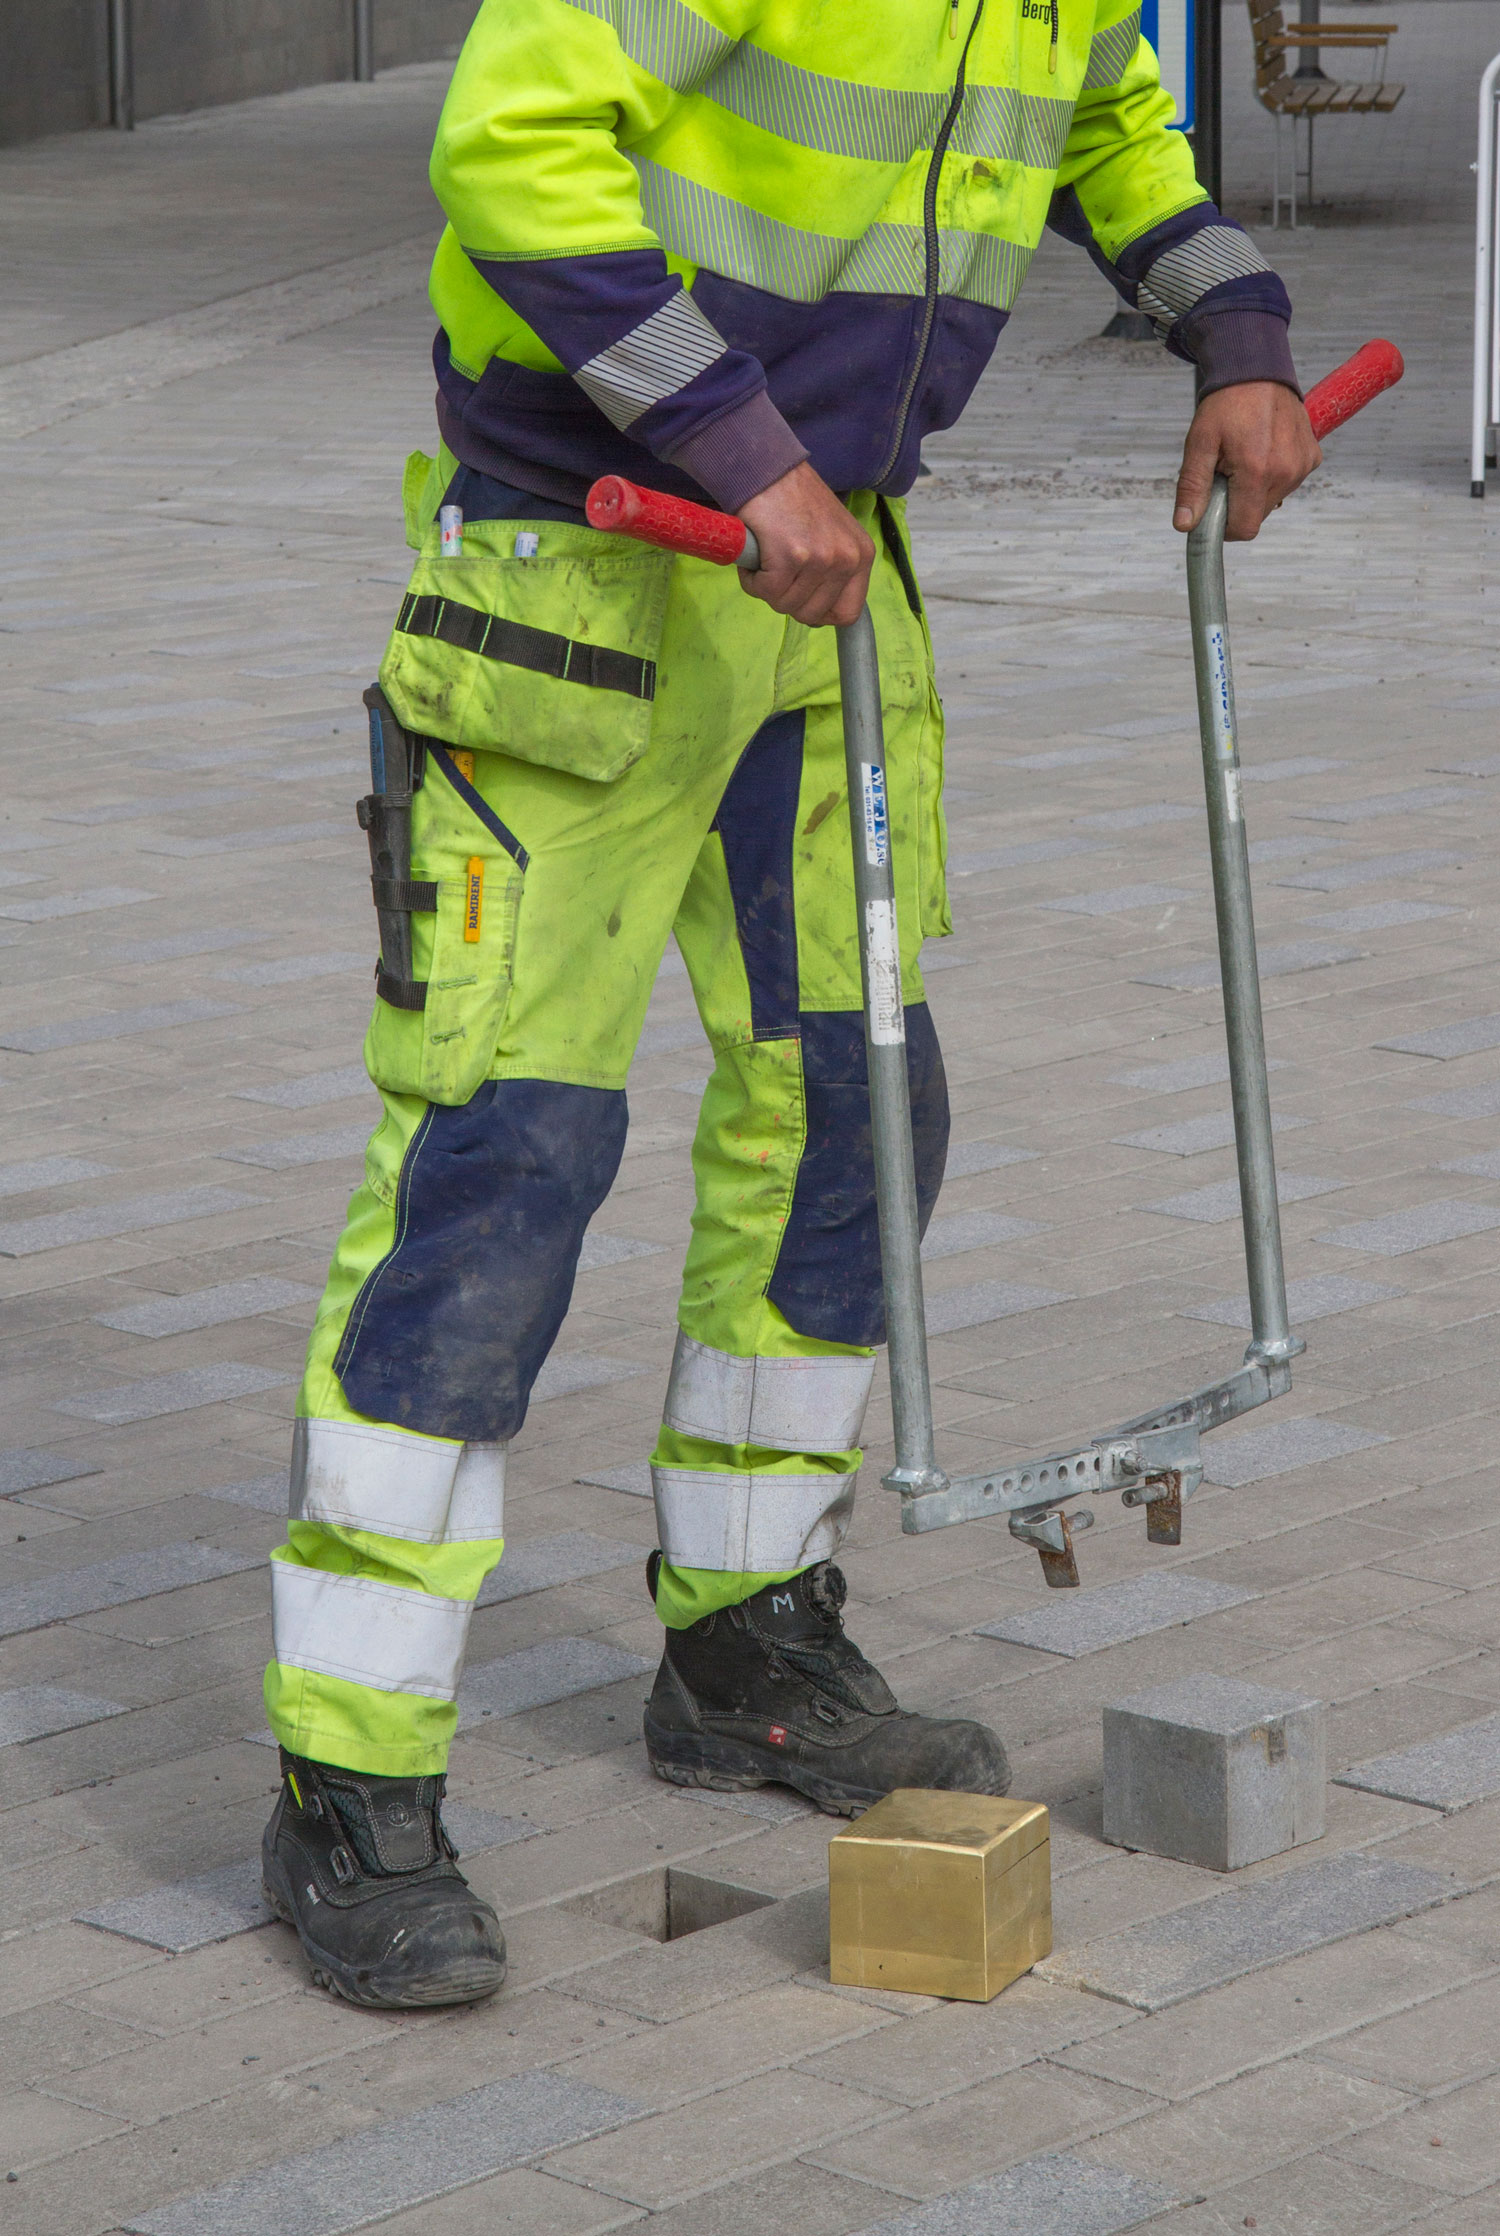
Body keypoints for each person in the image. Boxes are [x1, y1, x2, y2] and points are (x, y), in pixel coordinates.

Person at [259, 0, 1321, 2009]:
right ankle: (349, 1768)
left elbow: (1108, 116)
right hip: (590, 569)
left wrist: (1238, 328)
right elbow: (514, 144)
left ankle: (740, 1640)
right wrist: (736, 447)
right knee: (506, 1160)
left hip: (821, 591)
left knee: (858, 1110)